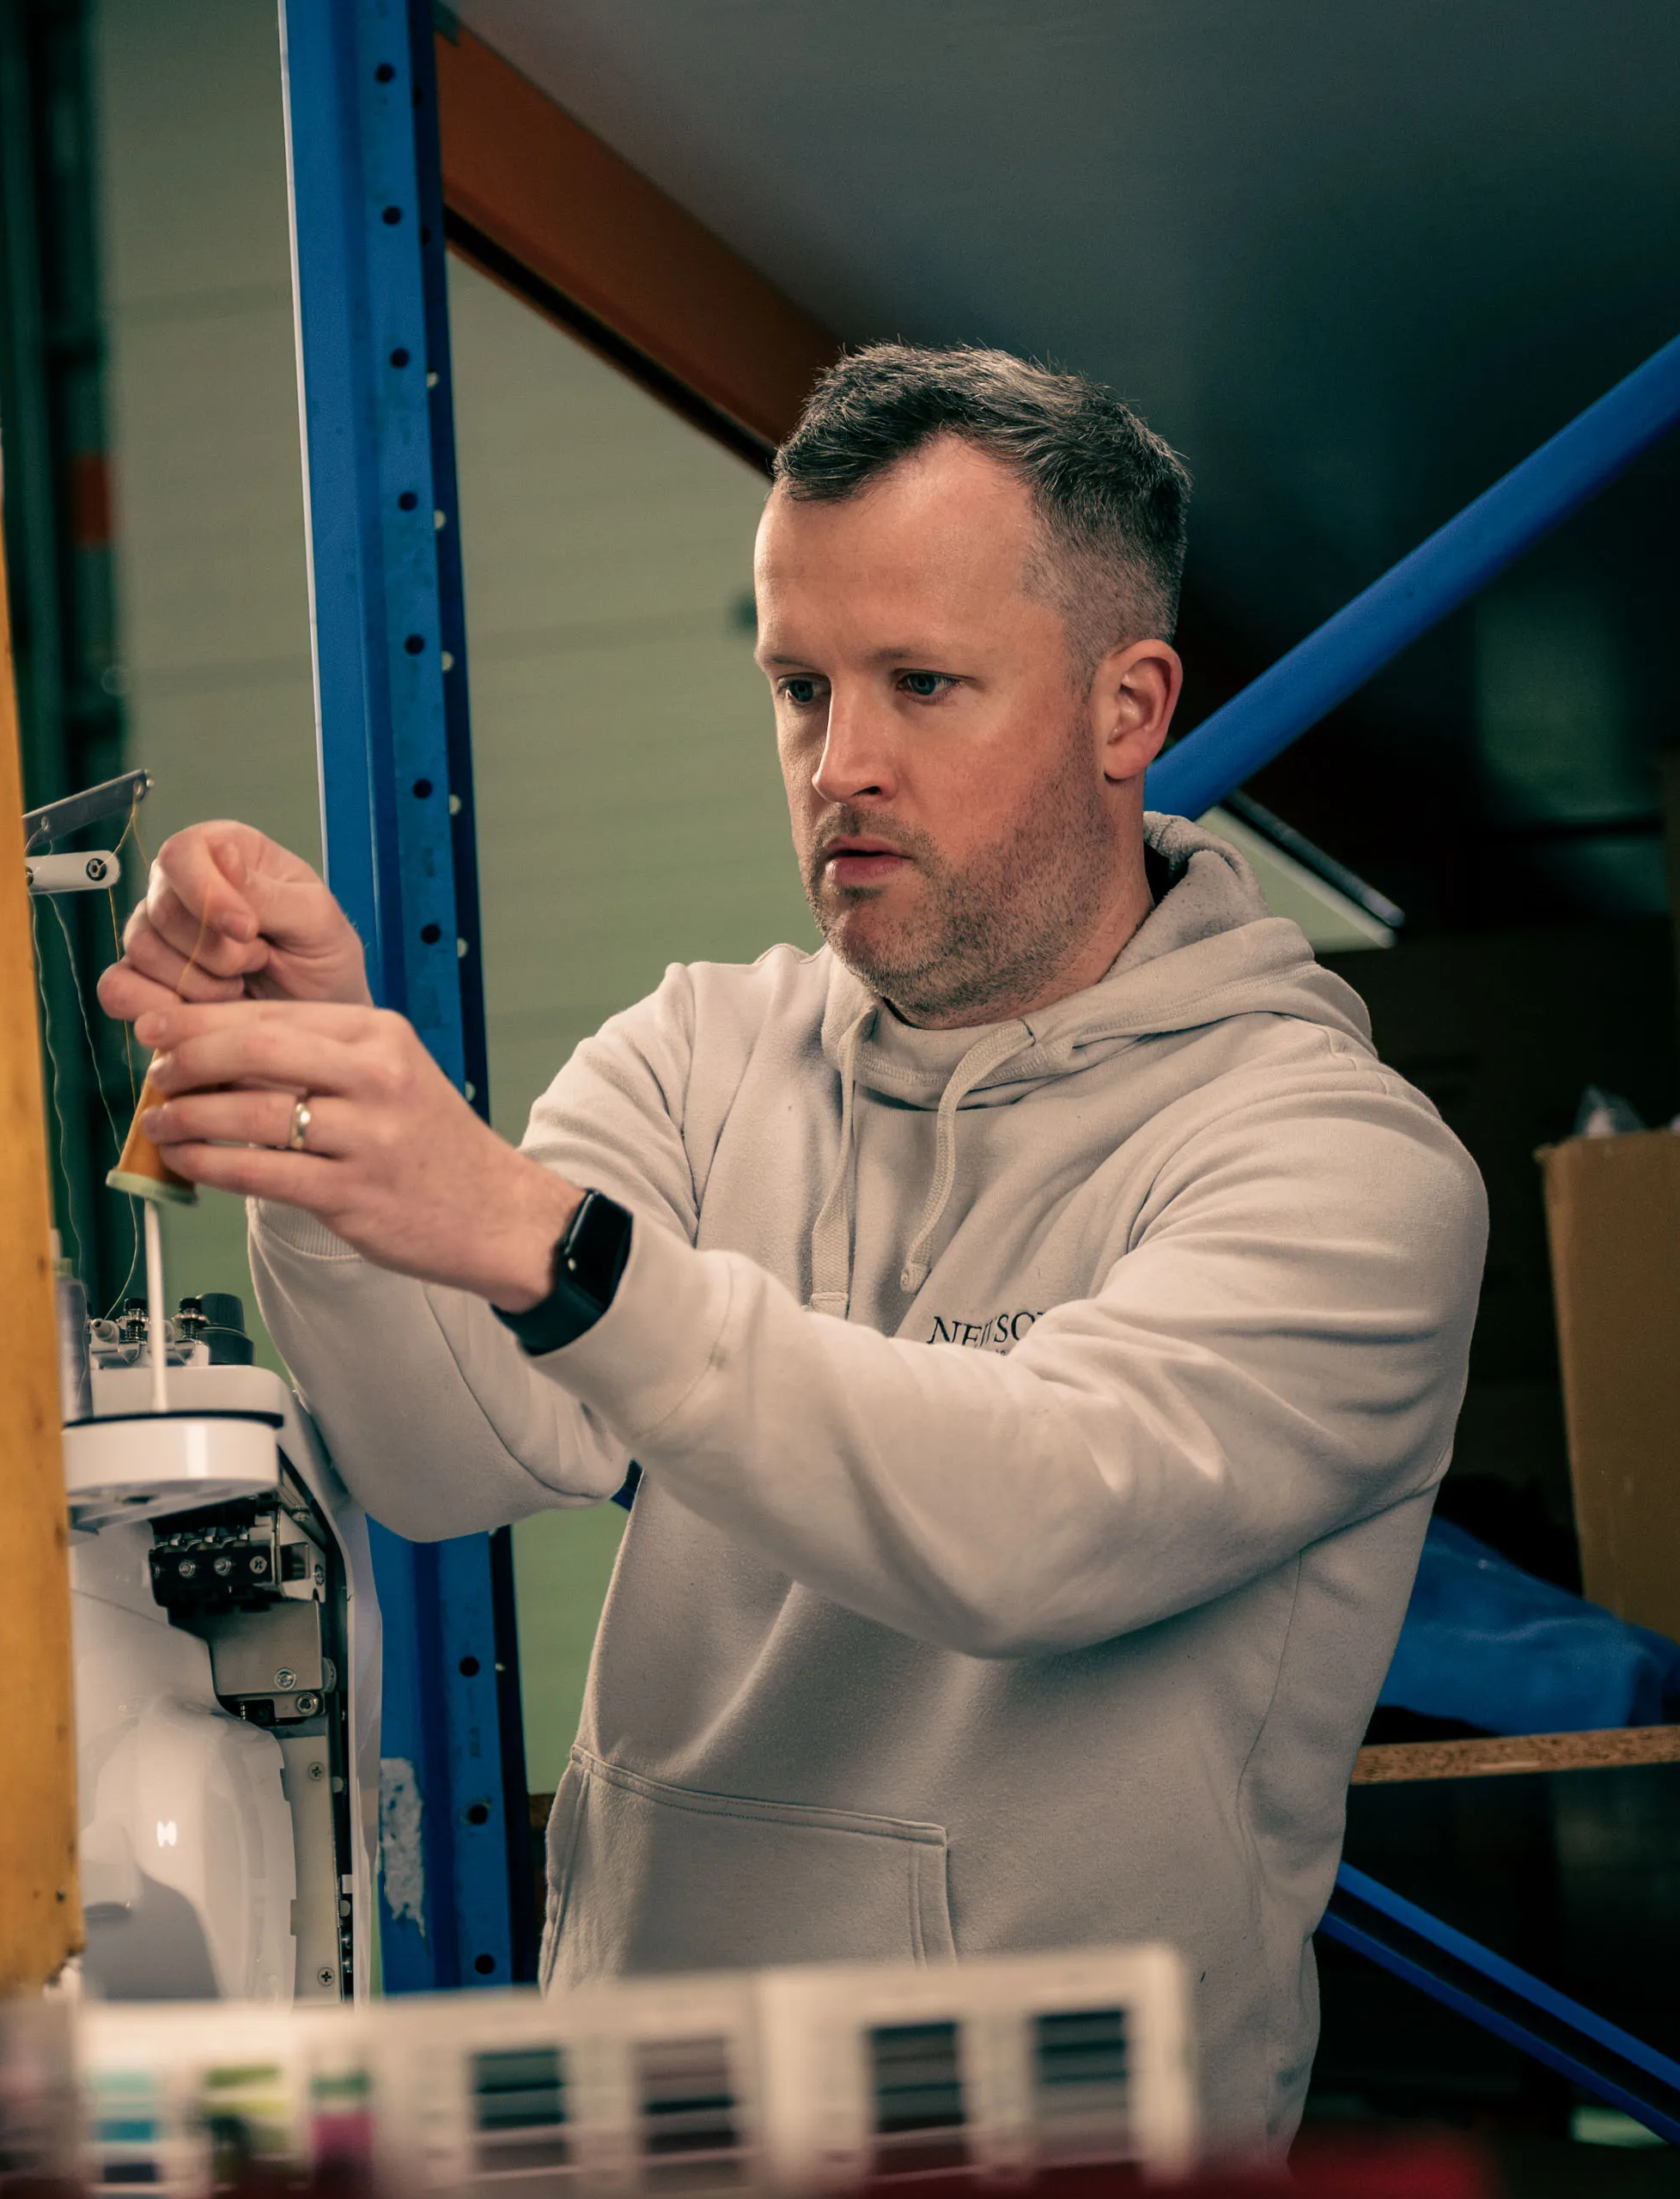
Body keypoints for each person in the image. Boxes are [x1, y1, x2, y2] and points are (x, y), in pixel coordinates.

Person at [95, 343, 1486, 2153]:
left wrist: (544, 1237)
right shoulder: (701, 1048)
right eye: (800, 686)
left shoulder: (1336, 1167)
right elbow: (450, 1460)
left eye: (923, 684)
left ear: (1125, 704)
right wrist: (334, 1153)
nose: (843, 766)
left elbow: (1033, 1517)